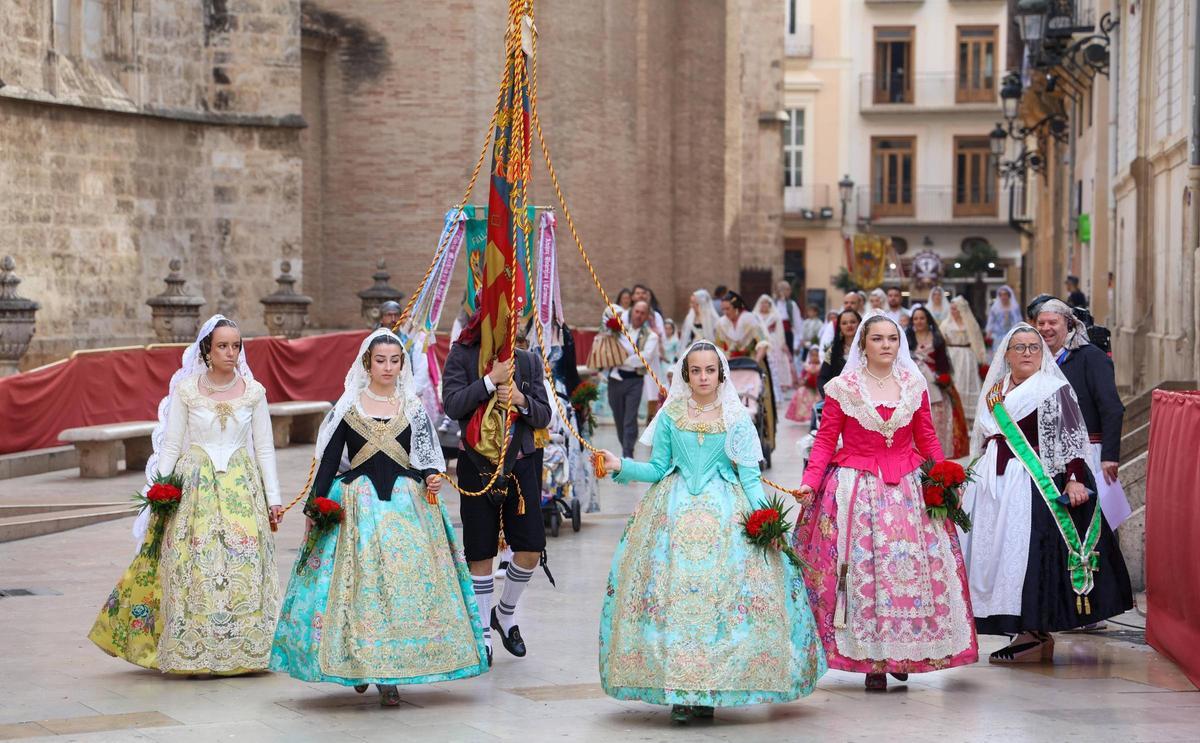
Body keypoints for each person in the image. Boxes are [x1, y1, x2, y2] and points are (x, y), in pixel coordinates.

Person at [597, 342, 826, 723]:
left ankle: (712, 687)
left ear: (721, 374)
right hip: (672, 512)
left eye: (710, 370)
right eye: (696, 371)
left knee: (722, 602)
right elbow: (657, 469)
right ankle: (682, 692)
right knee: (672, 600)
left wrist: (764, 522)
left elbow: (751, 480)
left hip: (726, 514)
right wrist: (620, 465)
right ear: (686, 375)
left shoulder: (738, 418)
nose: (703, 377)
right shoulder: (671, 415)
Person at [270, 330, 488, 703]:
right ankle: (359, 662)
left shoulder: (413, 406)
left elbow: (428, 461)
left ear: (402, 364)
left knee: (403, 588)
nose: (387, 367)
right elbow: (328, 463)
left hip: (407, 506)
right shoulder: (349, 406)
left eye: (394, 360)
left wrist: (432, 478)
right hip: (358, 505)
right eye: (380, 360)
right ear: (367, 363)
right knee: (361, 587)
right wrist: (314, 506)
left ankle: (390, 674)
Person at [794, 311, 978, 691]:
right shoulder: (843, 387)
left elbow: (926, 437)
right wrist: (811, 483)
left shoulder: (913, 384)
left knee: (907, 571)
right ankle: (872, 662)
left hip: (908, 489)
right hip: (856, 489)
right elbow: (827, 440)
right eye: (877, 339)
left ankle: (904, 652)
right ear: (863, 344)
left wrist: (943, 476)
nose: (885, 345)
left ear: (900, 343)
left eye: (891, 339)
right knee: (865, 571)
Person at [89, 316, 282, 674]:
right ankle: (194, 648)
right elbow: (173, 445)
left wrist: (273, 499)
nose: (231, 352)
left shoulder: (254, 392)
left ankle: (245, 650)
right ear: (207, 350)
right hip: (196, 484)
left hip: (241, 483)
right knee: (196, 563)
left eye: (236, 345)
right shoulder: (188, 391)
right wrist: (159, 491)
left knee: (244, 560)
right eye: (223, 345)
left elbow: (266, 449)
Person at [960, 324, 1133, 662]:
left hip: (1032, 481)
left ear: (1043, 354)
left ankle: (1034, 633)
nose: (1027, 353)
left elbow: (1072, 438)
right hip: (994, 484)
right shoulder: (995, 390)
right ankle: (1016, 628)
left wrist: (1074, 479)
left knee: (1027, 554)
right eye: (1019, 347)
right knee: (995, 555)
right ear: (1006, 355)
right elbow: (983, 437)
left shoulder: (1052, 388)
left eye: (1033, 348)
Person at [442, 309, 553, 662]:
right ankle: (483, 631)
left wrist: (521, 400)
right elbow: (452, 404)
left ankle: (504, 613)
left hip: (522, 463)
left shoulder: (530, 362)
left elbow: (545, 414)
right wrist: (489, 381)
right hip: (476, 463)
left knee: (531, 547)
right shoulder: (461, 355)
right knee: (481, 551)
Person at [1035, 299, 1130, 529]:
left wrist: (1110, 455)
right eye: (1041, 323)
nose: (1046, 328)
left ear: (1068, 324)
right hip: (1049, 457)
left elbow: (1112, 408)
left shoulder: (1091, 357)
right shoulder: (1036, 361)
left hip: (1089, 451)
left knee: (1096, 523)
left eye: (1052, 322)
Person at [908, 306, 970, 458]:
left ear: (927, 319)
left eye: (922, 318)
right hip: (913, 384)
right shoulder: (907, 337)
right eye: (916, 318)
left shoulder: (936, 337)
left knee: (938, 417)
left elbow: (943, 363)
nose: (919, 321)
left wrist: (942, 378)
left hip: (935, 384)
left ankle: (939, 450)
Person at [605, 300, 659, 458]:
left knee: (630, 418)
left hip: (634, 380)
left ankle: (628, 453)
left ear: (647, 316)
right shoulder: (620, 329)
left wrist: (621, 359)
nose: (639, 315)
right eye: (637, 311)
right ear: (632, 312)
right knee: (618, 417)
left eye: (643, 313)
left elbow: (645, 357)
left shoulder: (651, 336)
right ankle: (625, 447)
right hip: (614, 379)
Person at [941, 297, 988, 422]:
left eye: (956, 309)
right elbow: (941, 342)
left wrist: (981, 359)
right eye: (952, 309)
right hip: (952, 355)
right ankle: (954, 412)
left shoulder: (970, 324)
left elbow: (978, 341)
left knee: (967, 381)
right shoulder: (946, 324)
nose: (953, 311)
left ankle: (968, 416)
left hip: (967, 356)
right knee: (955, 382)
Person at [628, 285, 666, 419]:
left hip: (650, 358)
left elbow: (662, 336)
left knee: (651, 390)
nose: (640, 295)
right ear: (632, 296)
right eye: (637, 293)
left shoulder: (655, 316)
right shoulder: (626, 314)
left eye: (643, 293)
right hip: (629, 360)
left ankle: (651, 419)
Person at [754, 294, 796, 397]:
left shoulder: (775, 316)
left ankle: (775, 392)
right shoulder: (754, 316)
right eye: (762, 303)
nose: (764, 305)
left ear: (769, 304)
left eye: (766, 303)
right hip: (758, 341)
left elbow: (780, 331)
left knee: (774, 366)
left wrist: (782, 343)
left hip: (773, 341)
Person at [818, 309, 861, 393]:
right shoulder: (832, 351)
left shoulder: (868, 349)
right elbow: (822, 378)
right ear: (839, 327)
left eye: (852, 322)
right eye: (844, 323)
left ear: (860, 324)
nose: (849, 325)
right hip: (838, 398)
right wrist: (829, 396)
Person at [786, 347, 822, 424]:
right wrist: (802, 381)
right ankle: (804, 417)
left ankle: (813, 418)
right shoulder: (807, 366)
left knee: (815, 403)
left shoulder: (821, 367)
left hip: (816, 389)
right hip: (807, 388)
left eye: (816, 355)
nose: (814, 357)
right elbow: (803, 376)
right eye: (812, 355)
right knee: (802, 398)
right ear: (809, 357)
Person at [774, 280, 804, 356]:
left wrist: (799, 338)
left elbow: (797, 322)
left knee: (788, 357)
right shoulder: (773, 303)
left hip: (787, 334)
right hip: (775, 334)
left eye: (789, 289)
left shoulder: (791, 305)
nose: (789, 292)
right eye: (787, 289)